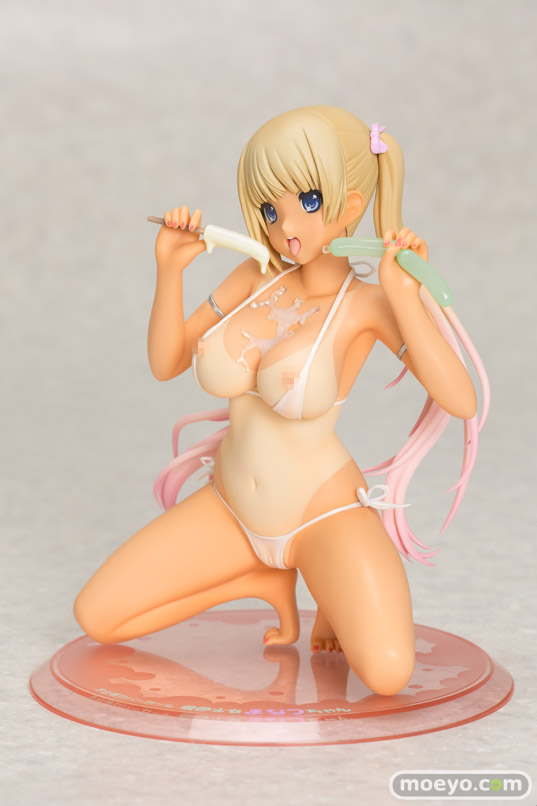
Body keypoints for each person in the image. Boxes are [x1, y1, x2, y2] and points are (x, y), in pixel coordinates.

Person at [74, 106, 483, 696]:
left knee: (389, 673)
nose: (285, 225)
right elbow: (167, 363)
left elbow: (461, 399)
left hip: (323, 515)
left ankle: (323, 584)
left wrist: (401, 291)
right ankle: (262, 578)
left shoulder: (366, 304)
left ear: (350, 204)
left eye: (308, 201)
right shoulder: (254, 276)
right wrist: (169, 270)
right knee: (99, 617)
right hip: (231, 508)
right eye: (270, 209)